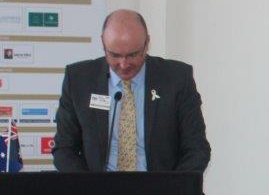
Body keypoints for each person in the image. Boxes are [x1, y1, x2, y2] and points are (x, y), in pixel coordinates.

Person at [53, 9, 210, 172]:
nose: (124, 64)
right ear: (103, 45)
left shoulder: (177, 79)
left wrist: (173, 185)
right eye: (115, 55)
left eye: (133, 55)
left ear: (147, 44)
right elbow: (64, 149)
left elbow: (197, 149)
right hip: (97, 186)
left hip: (161, 185)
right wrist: (89, 185)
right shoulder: (78, 80)